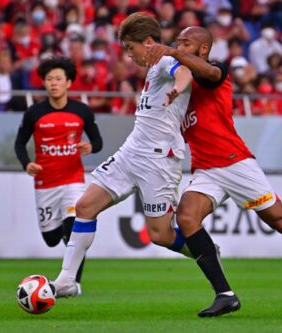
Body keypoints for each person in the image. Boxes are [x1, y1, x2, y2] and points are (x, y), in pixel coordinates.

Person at [145, 26, 282, 317]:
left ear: (203, 49)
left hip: (234, 162)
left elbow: (211, 74)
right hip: (206, 168)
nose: (179, 46)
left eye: (186, 43)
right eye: (177, 42)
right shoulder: (181, 78)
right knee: (187, 218)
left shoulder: (215, 71)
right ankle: (225, 294)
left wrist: (173, 53)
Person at [51, 12, 194, 297]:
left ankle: (204, 251)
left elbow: (185, 72)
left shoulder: (166, 61)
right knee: (85, 206)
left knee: (161, 235)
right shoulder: (154, 70)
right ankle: (66, 280)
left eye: (131, 48)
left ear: (149, 42)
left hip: (157, 160)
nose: (129, 56)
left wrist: (177, 89)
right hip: (132, 152)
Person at [14, 56, 103, 294]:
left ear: (69, 82)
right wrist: (27, 164)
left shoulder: (81, 111)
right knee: (52, 239)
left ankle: (72, 283)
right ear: (44, 83)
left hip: (73, 180)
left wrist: (90, 147)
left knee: (76, 225)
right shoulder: (34, 113)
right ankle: (69, 265)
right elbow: (19, 145)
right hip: (45, 183)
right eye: (49, 79)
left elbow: (98, 141)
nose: (54, 83)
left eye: (58, 79)